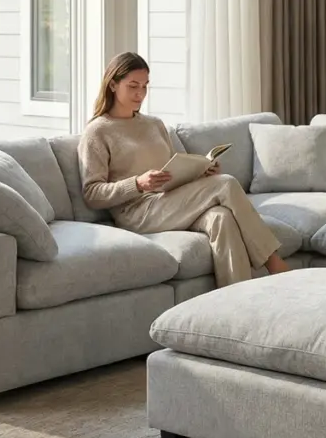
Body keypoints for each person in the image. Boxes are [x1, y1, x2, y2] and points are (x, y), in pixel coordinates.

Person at [78, 52, 289, 288]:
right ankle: (273, 262)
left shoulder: (154, 125)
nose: (140, 94)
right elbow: (92, 193)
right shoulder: (97, 132)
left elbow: (170, 171)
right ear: (113, 84)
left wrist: (199, 171)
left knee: (222, 218)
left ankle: (237, 300)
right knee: (226, 183)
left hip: (168, 202)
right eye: (133, 86)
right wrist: (137, 183)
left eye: (145, 86)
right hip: (137, 213)